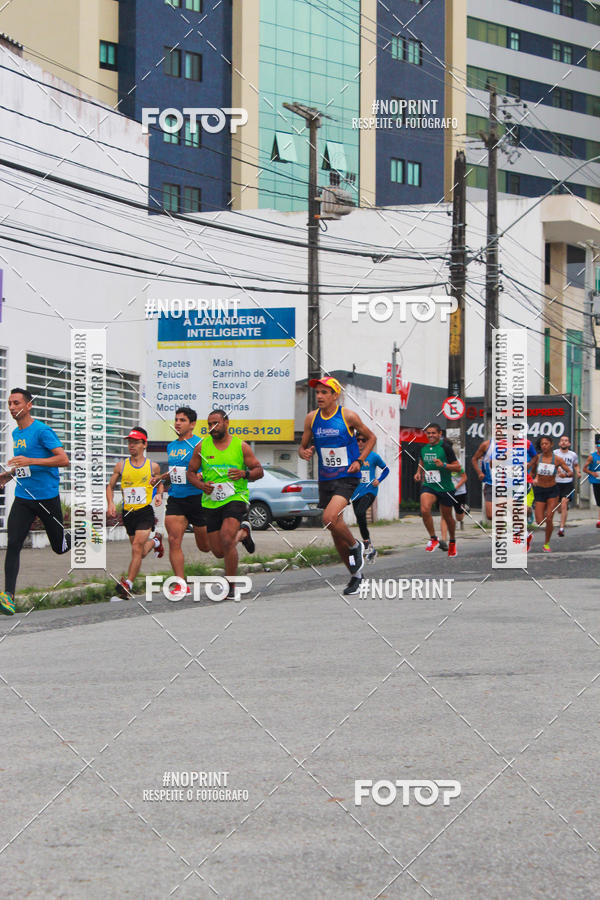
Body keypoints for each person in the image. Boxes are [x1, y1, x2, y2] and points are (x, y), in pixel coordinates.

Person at [299, 377, 375, 595]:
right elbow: (302, 447)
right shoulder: (311, 418)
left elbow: (371, 438)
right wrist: (304, 452)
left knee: (329, 518)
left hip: (347, 476)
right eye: (317, 392)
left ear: (335, 395)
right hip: (326, 479)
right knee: (335, 532)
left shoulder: (348, 416)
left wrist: (359, 460)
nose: (319, 396)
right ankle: (356, 576)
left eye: (324, 392)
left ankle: (356, 545)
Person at [0, 388, 71, 615]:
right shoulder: (16, 433)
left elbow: (63, 459)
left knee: (59, 547)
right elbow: (24, 466)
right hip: (24, 497)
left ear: (28, 405)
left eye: (17, 403)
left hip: (46, 497)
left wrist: (30, 460)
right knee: (14, 543)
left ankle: (84, 532)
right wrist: (9, 475)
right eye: (10, 403)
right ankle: (8, 596)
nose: (12, 407)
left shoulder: (42, 430)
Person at [187, 409, 262, 600]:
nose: (212, 427)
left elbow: (258, 471)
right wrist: (201, 486)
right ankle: (244, 532)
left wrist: (244, 474)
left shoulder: (240, 446)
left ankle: (230, 586)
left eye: (216, 423)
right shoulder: (202, 447)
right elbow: (190, 472)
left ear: (226, 423)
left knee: (227, 539)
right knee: (219, 551)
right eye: (209, 424)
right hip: (211, 502)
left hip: (235, 498)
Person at [152, 407, 209, 600]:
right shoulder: (171, 446)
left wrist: (201, 475)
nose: (177, 423)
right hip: (177, 498)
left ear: (192, 424)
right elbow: (175, 471)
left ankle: (240, 532)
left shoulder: (201, 443)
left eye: (182, 420)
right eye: (176, 419)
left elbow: (209, 467)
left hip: (198, 498)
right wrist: (160, 478)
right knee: (174, 540)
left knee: (206, 547)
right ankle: (181, 584)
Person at [106, 427, 164, 598]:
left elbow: (160, 483)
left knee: (137, 547)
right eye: (130, 442)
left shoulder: (152, 466)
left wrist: (159, 494)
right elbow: (110, 486)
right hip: (128, 513)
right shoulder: (121, 466)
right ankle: (156, 541)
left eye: (135, 442)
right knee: (140, 551)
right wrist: (110, 503)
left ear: (144, 444)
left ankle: (128, 584)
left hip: (144, 512)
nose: (131, 445)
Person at [414, 423, 462, 556]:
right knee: (424, 509)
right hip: (429, 485)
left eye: (433, 433)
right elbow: (422, 461)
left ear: (440, 434)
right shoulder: (423, 448)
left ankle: (452, 541)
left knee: (447, 517)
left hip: (445, 487)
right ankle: (433, 538)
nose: (430, 435)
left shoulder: (445, 448)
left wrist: (444, 465)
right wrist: (418, 472)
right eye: (428, 433)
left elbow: (457, 467)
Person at [530, 435, 572, 552]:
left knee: (549, 519)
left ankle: (546, 543)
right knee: (539, 521)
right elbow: (532, 473)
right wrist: (533, 479)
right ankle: (545, 517)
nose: (544, 446)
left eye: (546, 444)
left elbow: (570, 472)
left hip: (552, 491)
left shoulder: (557, 459)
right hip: (539, 490)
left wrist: (564, 474)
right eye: (542, 444)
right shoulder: (537, 458)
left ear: (551, 445)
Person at [351, 438, 389, 562]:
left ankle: (366, 543)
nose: (360, 443)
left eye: (363, 440)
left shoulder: (373, 456)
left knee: (360, 512)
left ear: (368, 442)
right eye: (358, 440)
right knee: (359, 517)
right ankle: (370, 547)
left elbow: (386, 469)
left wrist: (379, 480)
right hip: (356, 493)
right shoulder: (351, 455)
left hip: (370, 490)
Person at [554, 434, 580, 537]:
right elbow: (552, 464)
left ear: (569, 443)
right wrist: (558, 471)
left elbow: (576, 465)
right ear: (559, 443)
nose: (564, 442)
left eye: (566, 440)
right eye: (562, 440)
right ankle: (561, 508)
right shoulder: (555, 453)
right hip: (556, 482)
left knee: (564, 503)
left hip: (568, 483)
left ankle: (561, 528)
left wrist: (578, 472)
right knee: (559, 508)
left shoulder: (573, 455)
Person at [440, 465, 468, 548]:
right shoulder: (440, 465)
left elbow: (464, 478)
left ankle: (464, 509)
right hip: (446, 492)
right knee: (444, 516)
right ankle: (444, 540)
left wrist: (455, 488)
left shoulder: (456, 465)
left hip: (459, 493)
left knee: (459, 518)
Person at [582, 436, 600, 528]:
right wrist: (592, 473)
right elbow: (584, 469)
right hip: (596, 481)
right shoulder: (592, 456)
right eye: (599, 445)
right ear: (596, 447)